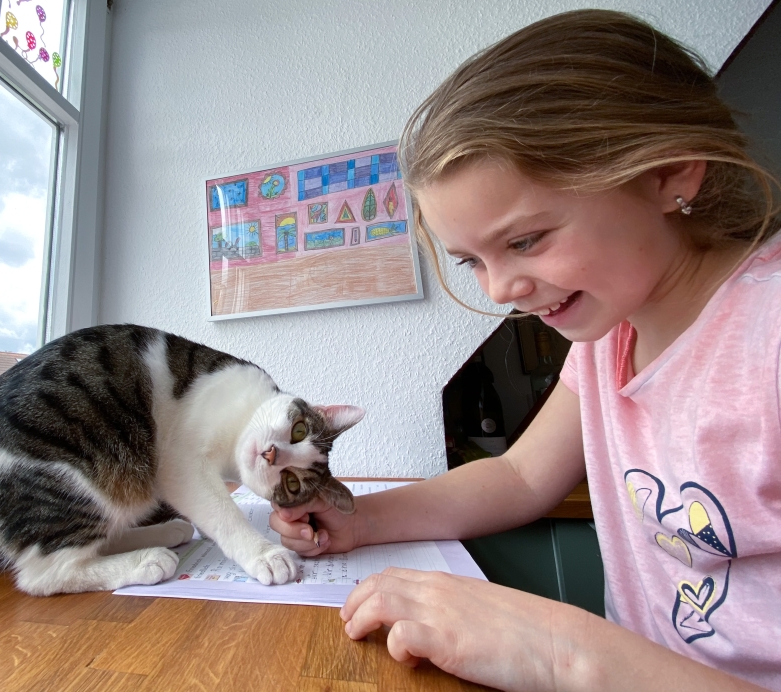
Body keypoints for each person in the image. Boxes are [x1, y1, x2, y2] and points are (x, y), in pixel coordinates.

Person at [269, 9, 781, 691]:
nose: (502, 289)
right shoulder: (609, 337)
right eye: (472, 262)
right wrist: (358, 520)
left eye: (525, 241)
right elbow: (520, 477)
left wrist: (559, 653)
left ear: (668, 172)